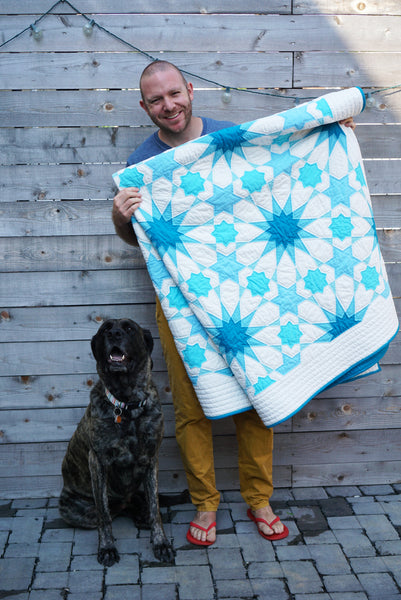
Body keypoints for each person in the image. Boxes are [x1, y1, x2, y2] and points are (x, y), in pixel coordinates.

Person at [112, 60, 355, 546]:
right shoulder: (141, 168)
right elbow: (135, 238)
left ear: (191, 90)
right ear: (145, 107)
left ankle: (259, 498)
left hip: (247, 299)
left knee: (256, 397)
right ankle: (205, 505)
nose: (169, 105)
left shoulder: (234, 140)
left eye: (174, 93)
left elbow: (285, 168)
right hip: (179, 306)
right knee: (190, 407)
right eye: (156, 100)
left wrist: (330, 139)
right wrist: (121, 216)